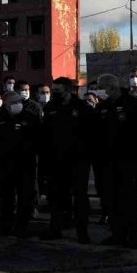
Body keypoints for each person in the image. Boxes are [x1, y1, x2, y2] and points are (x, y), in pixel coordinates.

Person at [96, 73, 137, 249]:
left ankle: (133, 237)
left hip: (130, 162)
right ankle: (117, 234)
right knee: (112, 200)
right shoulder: (103, 107)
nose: (99, 92)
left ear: (112, 87)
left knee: (130, 201)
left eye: (101, 88)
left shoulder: (134, 105)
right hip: (108, 162)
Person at [39, 77, 91, 243]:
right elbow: (45, 135)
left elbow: (89, 135)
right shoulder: (50, 107)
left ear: (68, 90)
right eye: (54, 90)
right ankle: (55, 228)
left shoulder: (82, 108)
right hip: (56, 160)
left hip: (77, 161)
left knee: (80, 197)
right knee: (56, 196)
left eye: (58, 91)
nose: (55, 94)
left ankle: (82, 232)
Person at [0, 91, 40, 237]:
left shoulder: (30, 117)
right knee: (6, 197)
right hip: (5, 164)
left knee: (25, 197)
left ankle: (22, 226)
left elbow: (37, 139)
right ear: (6, 103)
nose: (18, 104)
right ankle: (5, 225)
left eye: (19, 101)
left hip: (26, 164)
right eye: (14, 102)